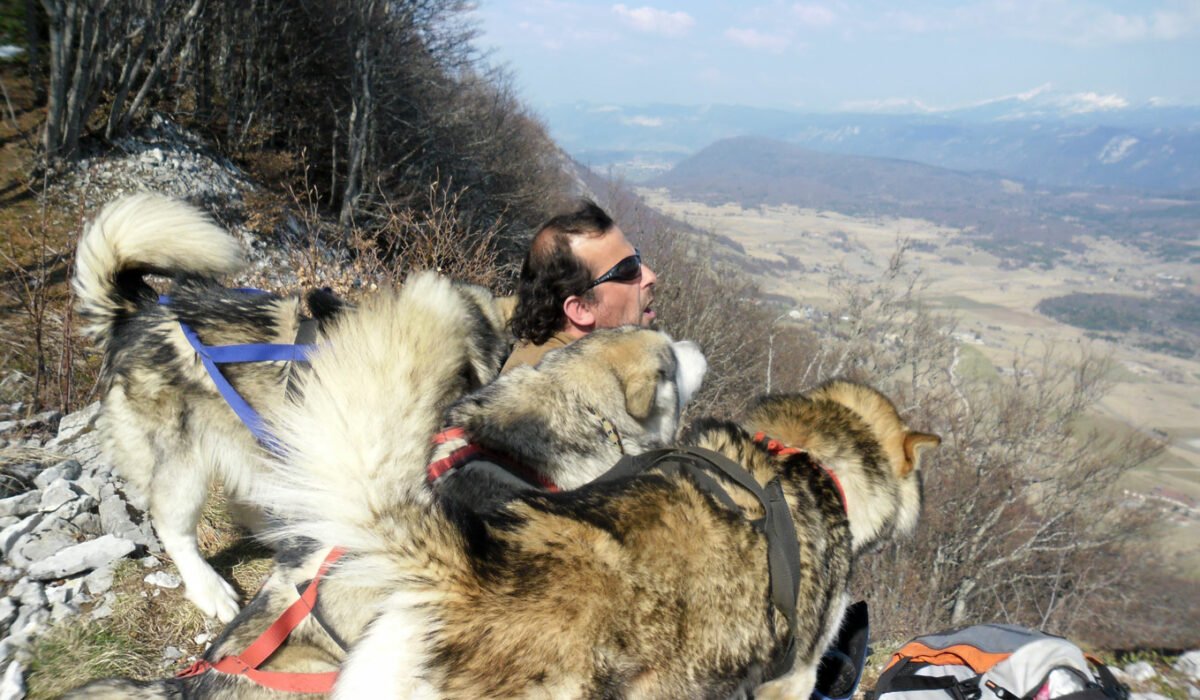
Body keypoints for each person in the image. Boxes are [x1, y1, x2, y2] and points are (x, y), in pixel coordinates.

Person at [502, 199, 658, 373]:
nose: (651, 277)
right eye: (628, 268)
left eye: (637, 257)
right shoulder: (564, 391)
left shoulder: (542, 367)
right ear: (581, 309)